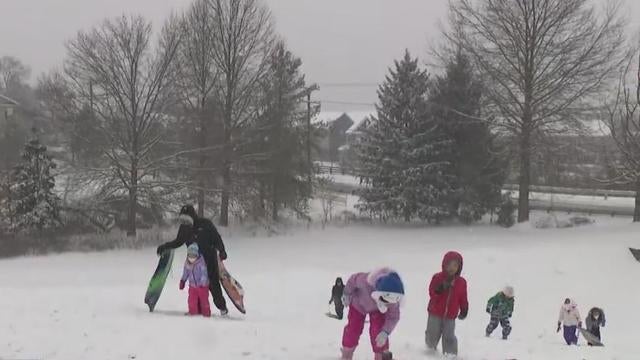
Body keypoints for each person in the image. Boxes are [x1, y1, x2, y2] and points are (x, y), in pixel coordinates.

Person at [157, 205, 229, 315]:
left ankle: (222, 308)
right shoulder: (184, 229)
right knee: (195, 285)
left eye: (187, 219)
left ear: (193, 217)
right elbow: (178, 242)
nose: (185, 222)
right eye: (182, 220)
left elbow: (217, 238)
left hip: (209, 259)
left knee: (213, 285)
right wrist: (165, 246)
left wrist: (222, 251)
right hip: (194, 263)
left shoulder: (205, 224)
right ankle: (199, 309)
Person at [340, 268, 404, 360]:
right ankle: (347, 353)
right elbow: (352, 280)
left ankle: (381, 355)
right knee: (353, 329)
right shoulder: (364, 281)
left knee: (378, 330)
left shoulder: (393, 298)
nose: (389, 304)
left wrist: (385, 332)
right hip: (358, 304)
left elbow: (393, 317)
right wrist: (346, 293)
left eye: (392, 302)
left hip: (377, 310)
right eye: (387, 301)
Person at [425, 251, 469, 356]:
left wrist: (464, 308)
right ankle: (430, 348)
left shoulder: (461, 282)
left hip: (450, 315)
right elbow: (432, 292)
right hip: (435, 312)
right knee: (432, 333)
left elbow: (463, 297)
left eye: (455, 265)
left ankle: (450, 353)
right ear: (444, 265)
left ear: (459, 267)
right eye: (449, 265)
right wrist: (440, 289)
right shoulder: (437, 277)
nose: (451, 268)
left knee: (449, 335)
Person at [180, 243, 211, 317]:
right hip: (192, 286)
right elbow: (185, 272)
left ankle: (206, 313)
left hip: (202, 287)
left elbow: (204, 274)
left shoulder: (201, 263)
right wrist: (183, 281)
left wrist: (203, 283)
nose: (191, 258)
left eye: (193, 256)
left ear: (197, 255)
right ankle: (192, 312)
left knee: (204, 301)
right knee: (191, 301)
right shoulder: (187, 263)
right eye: (190, 256)